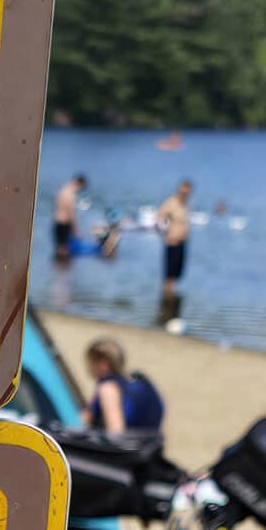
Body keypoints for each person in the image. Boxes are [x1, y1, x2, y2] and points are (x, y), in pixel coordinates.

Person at [83, 337, 165, 436]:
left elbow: (116, 433)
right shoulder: (136, 385)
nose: (88, 367)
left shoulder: (108, 388)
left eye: (90, 362)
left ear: (103, 363)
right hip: (148, 447)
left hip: (126, 449)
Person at [156, 179, 193, 318]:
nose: (185, 192)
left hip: (182, 242)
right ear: (179, 189)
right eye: (184, 189)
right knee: (169, 275)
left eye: (188, 190)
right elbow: (159, 218)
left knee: (177, 274)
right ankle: (166, 307)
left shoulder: (186, 204)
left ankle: (171, 308)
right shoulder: (171, 203)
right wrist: (166, 234)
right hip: (172, 242)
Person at [52, 172, 88, 265]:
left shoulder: (62, 190)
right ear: (79, 183)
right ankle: (64, 276)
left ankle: (57, 273)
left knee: (59, 249)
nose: (80, 189)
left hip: (57, 223)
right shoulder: (71, 194)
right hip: (64, 224)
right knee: (65, 252)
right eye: (81, 187)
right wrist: (76, 229)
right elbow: (71, 213)